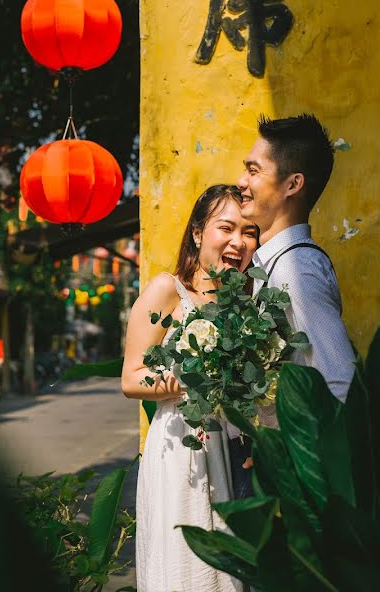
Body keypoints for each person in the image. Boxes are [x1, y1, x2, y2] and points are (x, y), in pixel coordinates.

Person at [122, 185, 259, 592]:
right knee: (188, 568)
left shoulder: (248, 304)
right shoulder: (166, 291)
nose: (238, 241)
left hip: (235, 451)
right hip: (184, 448)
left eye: (250, 232)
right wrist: (183, 380)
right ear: (198, 234)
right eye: (227, 228)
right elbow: (131, 377)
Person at [229, 113, 356, 498]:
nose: (242, 182)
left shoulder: (295, 269)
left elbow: (339, 382)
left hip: (297, 483)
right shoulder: (276, 265)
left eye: (253, 170)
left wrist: (292, 453)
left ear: (292, 184)